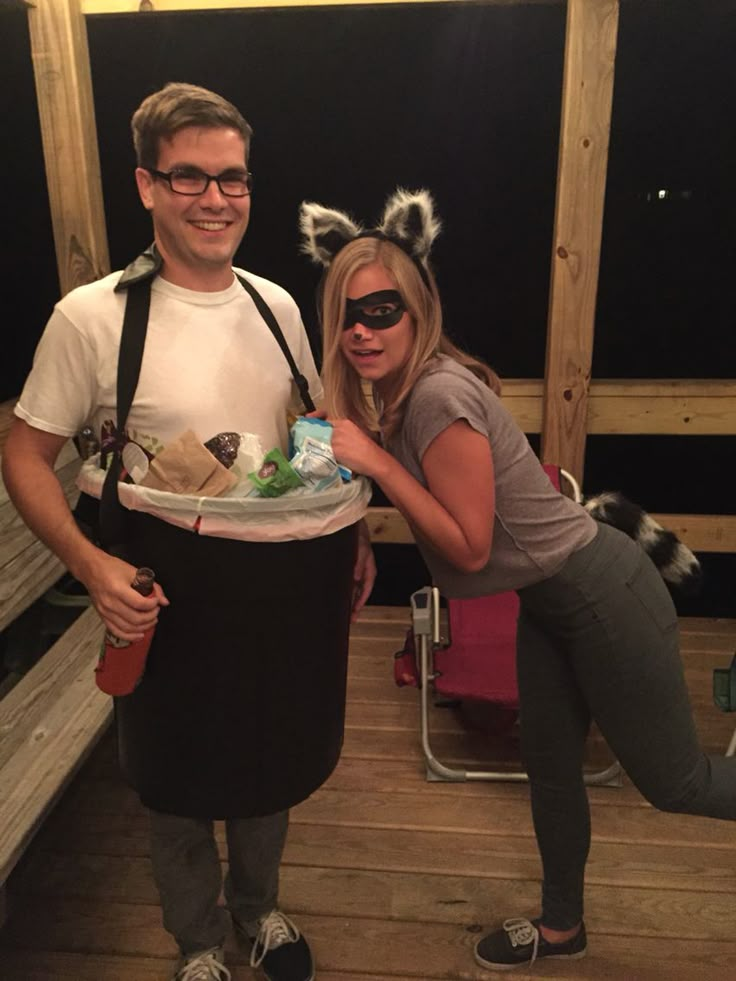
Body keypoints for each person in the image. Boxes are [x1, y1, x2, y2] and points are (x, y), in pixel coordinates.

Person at [297, 188, 736, 972]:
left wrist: (375, 464)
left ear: (418, 306)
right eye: (346, 314)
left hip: (600, 592)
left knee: (679, 782)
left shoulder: (434, 396)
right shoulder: (399, 390)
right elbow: (335, 472)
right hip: (549, 597)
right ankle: (563, 926)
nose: (362, 330)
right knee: (552, 765)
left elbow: (466, 550)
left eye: (382, 310)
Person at [2, 83, 375, 981]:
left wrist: (350, 539)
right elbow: (24, 452)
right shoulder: (90, 318)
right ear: (146, 186)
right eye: (189, 178)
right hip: (162, 593)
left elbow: (310, 432)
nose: (216, 199)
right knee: (172, 779)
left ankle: (260, 910)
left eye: (232, 179)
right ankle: (199, 942)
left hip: (279, 592)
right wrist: (90, 566)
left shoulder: (277, 305)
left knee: (271, 750)